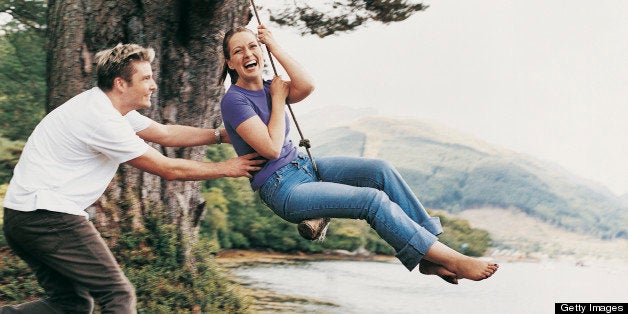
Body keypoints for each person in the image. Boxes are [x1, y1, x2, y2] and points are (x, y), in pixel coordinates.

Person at [218, 25, 499, 285]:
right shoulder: (234, 100)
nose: (248, 54)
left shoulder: (271, 86)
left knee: (380, 170)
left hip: (303, 166)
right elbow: (270, 148)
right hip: (282, 188)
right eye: (238, 51)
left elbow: (307, 84)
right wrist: (278, 99)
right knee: (370, 200)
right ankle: (450, 259)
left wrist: (275, 47)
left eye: (253, 46)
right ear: (230, 63)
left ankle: (428, 256)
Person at [1, 43, 263, 313]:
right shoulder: (102, 119)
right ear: (120, 83)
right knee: (118, 294)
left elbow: (165, 134)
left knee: (71, 304)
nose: (153, 86)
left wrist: (220, 136)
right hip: (46, 215)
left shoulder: (107, 107)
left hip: (24, 216)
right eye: (146, 78)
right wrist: (229, 167)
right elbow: (168, 169)